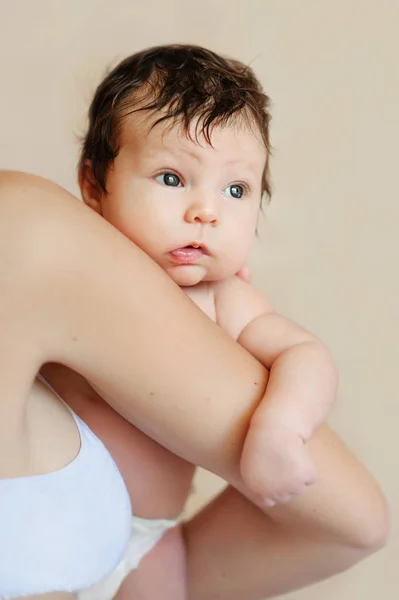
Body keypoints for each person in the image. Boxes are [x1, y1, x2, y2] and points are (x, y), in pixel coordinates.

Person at [0, 45, 389, 600]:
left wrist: (282, 425)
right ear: (94, 186)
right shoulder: (84, 273)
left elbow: (303, 355)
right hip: (51, 502)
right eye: (171, 177)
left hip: (149, 544)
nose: (206, 211)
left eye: (236, 190)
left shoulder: (228, 301)